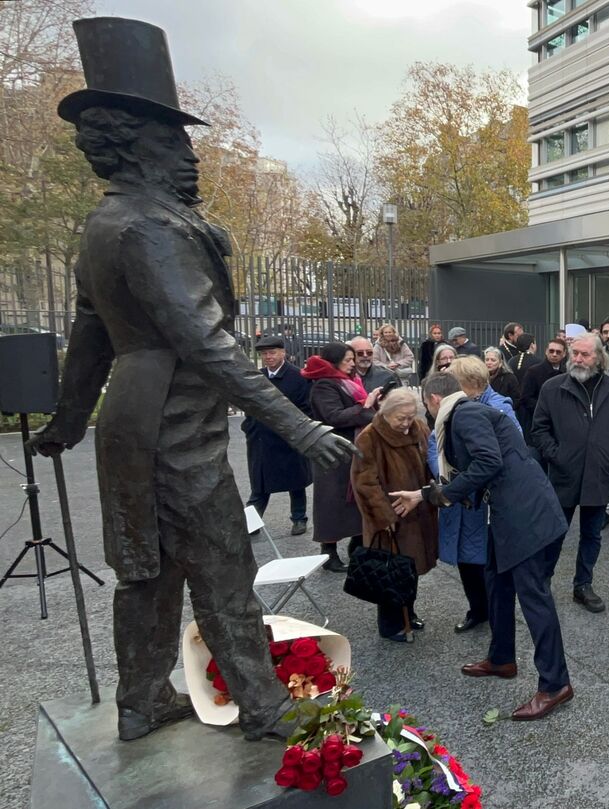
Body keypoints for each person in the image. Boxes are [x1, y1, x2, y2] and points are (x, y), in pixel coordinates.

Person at [33, 30, 357, 740]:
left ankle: (141, 698)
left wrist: (69, 417)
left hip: (133, 417)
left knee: (147, 572)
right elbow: (207, 345)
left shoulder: (104, 224)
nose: (191, 155)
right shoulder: (150, 227)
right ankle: (264, 705)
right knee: (221, 567)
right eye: (175, 142)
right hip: (172, 428)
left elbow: (91, 333)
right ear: (138, 145)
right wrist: (298, 426)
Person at [397, 365, 575, 721]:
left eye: (424, 405)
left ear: (433, 398)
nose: (426, 413)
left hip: (525, 516)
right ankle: (502, 658)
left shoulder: (465, 415)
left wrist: (442, 495)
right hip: (510, 514)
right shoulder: (466, 413)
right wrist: (423, 494)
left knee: (534, 597)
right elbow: (479, 467)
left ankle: (556, 684)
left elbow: (488, 462)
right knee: (496, 580)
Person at [531, 332, 609, 613]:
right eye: (574, 353)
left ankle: (583, 585)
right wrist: (557, 455)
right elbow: (539, 429)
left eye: (585, 354)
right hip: (563, 474)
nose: (577, 359)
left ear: (599, 358)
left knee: (592, 534)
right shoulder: (553, 388)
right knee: (554, 533)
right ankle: (542, 584)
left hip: (598, 475)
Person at [426, 361, 520, 634]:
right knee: (466, 560)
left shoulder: (498, 407)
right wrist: (447, 474)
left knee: (489, 560)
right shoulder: (451, 409)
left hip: (485, 501)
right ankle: (477, 609)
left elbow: (509, 450)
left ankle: (496, 613)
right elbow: (435, 444)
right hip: (458, 494)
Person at [350, 388, 437, 642]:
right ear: (386, 414)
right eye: (401, 418)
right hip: (391, 517)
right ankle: (390, 624)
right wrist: (383, 517)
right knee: (388, 571)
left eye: (410, 416)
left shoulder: (419, 427)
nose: (407, 423)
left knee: (410, 567)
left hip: (417, 512)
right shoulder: (370, 437)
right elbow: (364, 483)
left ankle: (408, 612)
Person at [304, 342, 385, 571]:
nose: (353, 363)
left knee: (355, 501)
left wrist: (372, 403)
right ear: (335, 361)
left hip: (353, 449)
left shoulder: (348, 381)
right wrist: (366, 407)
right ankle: (328, 553)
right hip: (334, 452)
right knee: (331, 502)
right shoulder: (324, 385)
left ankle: (357, 546)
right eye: (348, 360)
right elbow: (334, 416)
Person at [244, 336, 313, 536]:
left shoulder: (298, 376)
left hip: (288, 439)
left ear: (283, 353)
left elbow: (306, 408)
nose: (268, 357)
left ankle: (299, 518)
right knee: (260, 484)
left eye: (272, 352)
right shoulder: (257, 376)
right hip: (261, 439)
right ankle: (251, 521)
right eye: (264, 354)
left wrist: (294, 431)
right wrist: (250, 426)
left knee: (296, 482)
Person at [519, 337, 566, 431]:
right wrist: (545, 409)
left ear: (564, 354)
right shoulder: (533, 371)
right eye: (551, 351)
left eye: (558, 352)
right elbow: (526, 398)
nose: (554, 354)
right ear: (546, 351)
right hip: (539, 420)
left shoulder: (568, 373)